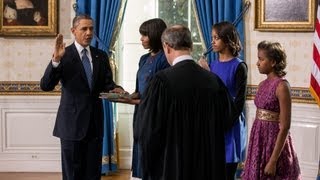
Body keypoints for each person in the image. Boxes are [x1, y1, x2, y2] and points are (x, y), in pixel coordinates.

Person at [135, 25, 238, 180]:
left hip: (173, 165)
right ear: (190, 46)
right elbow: (228, 118)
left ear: (167, 47)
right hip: (207, 166)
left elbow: (148, 130)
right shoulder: (213, 81)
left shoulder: (161, 81)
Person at [40, 15, 124, 180]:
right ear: (73, 31)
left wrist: (117, 89)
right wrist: (56, 60)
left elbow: (107, 84)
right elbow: (46, 85)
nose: (88, 33)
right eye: (84, 29)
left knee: (93, 174)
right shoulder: (63, 55)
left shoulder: (101, 55)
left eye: (91, 29)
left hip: (95, 125)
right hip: (71, 126)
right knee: (72, 174)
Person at [241, 40, 300, 179]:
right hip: (259, 139)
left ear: (273, 62)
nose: (257, 63)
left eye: (261, 59)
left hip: (274, 143)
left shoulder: (282, 86)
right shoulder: (262, 84)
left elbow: (285, 126)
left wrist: (273, 160)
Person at [198, 21, 247, 180]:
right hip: (212, 121)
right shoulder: (211, 65)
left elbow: (239, 101)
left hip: (230, 122)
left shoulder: (239, 66)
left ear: (228, 40)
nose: (212, 41)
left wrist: (224, 123)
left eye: (216, 38)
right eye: (212, 37)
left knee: (227, 171)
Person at [129, 18, 170, 179]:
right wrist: (124, 95)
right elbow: (138, 91)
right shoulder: (143, 59)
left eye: (145, 35)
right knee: (141, 150)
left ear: (155, 35)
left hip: (156, 114)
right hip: (141, 112)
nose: (141, 39)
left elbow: (162, 94)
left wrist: (133, 100)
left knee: (154, 157)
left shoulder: (165, 59)